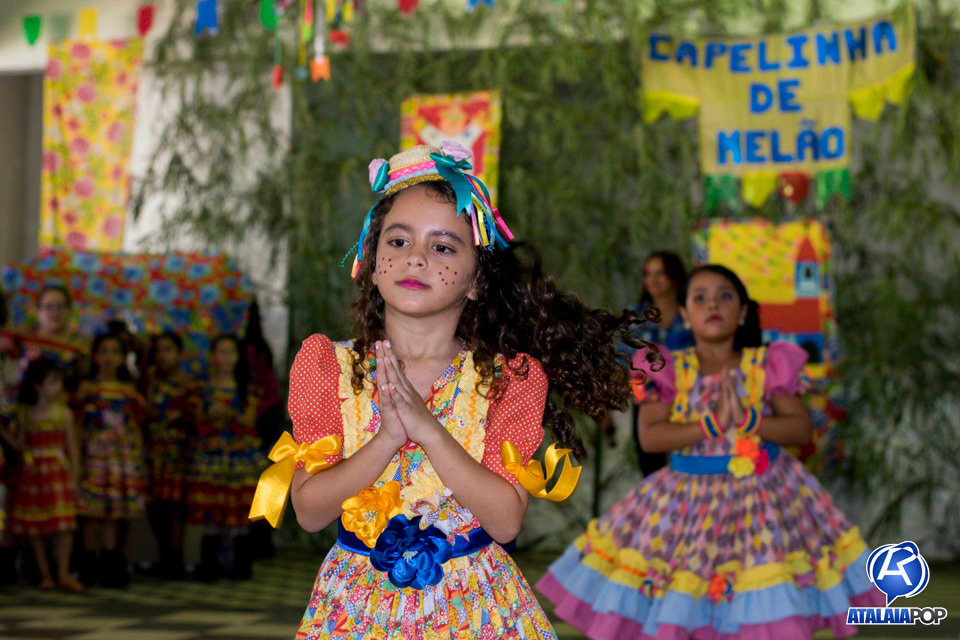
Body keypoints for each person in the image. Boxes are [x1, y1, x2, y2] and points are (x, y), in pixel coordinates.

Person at [274, 141, 660, 639]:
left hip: (475, 605)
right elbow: (308, 511)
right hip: (355, 604)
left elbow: (505, 522)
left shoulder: (509, 378)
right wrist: (387, 439)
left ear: (476, 280)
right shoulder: (329, 365)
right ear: (371, 263)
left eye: (442, 247)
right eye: (397, 242)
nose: (415, 258)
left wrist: (429, 432)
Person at [536, 264, 883, 639]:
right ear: (685, 314)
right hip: (688, 500)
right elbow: (650, 437)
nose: (712, 304)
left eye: (724, 296)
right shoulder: (666, 366)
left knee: (762, 593)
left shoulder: (767, 364)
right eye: (700, 297)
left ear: (744, 311)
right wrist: (712, 425)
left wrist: (750, 419)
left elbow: (800, 429)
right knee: (689, 596)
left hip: (763, 500)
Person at [602, 251, 694, 475]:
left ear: (675, 276)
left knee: (689, 470)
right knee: (653, 475)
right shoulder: (635, 316)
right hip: (648, 407)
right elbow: (619, 365)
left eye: (660, 273)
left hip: (692, 404)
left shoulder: (693, 312)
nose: (653, 279)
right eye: (647, 274)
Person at [186, 334, 262, 581]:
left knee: (239, 508)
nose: (226, 358)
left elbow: (250, 420)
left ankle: (240, 566)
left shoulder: (246, 388)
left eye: (231, 352)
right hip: (212, 455)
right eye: (221, 352)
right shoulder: (203, 388)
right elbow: (196, 420)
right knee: (212, 507)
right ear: (212, 356)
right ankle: (209, 565)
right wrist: (210, 415)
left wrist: (230, 415)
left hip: (239, 455)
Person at [2, 358, 83, 592]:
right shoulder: (26, 413)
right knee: (37, 527)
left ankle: (63, 573)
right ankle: (45, 573)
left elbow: (73, 447)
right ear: (37, 386)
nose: (59, 386)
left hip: (57, 472)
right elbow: (19, 444)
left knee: (63, 525)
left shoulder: (63, 414)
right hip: (33, 474)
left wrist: (75, 477)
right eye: (53, 382)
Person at [75, 332, 147, 588]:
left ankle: (111, 562)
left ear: (123, 357)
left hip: (122, 457)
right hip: (94, 455)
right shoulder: (87, 388)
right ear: (94, 356)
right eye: (103, 351)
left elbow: (135, 426)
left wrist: (138, 458)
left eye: (114, 352)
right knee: (90, 511)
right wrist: (78, 456)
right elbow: (78, 424)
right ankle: (87, 564)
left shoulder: (129, 391)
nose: (108, 357)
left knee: (113, 512)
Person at [141, 331, 196, 580]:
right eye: (158, 351)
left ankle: (175, 557)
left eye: (168, 350)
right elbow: (147, 413)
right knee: (155, 505)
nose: (162, 356)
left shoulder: (188, 384)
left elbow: (193, 419)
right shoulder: (149, 382)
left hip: (178, 452)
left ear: (179, 354)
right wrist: (150, 382)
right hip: (153, 452)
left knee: (175, 506)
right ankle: (163, 554)